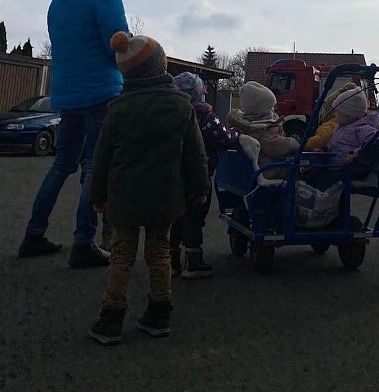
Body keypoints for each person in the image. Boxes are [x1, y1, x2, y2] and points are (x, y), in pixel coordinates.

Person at [88, 33, 210, 346]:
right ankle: (158, 314)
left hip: (124, 197)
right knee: (159, 253)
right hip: (165, 195)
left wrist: (98, 195)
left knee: (121, 255)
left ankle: (111, 319)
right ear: (160, 66)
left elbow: (102, 158)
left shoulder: (117, 109)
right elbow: (195, 153)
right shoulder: (181, 105)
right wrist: (200, 187)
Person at [19, 0, 129, 268]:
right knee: (95, 166)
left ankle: (33, 234)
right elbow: (117, 44)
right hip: (101, 91)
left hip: (67, 93)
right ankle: (84, 243)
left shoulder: (58, 2)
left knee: (61, 164)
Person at [170, 72, 239, 279]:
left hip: (173, 176)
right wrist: (236, 133)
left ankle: (170, 263)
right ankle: (193, 264)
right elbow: (224, 139)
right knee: (194, 218)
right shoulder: (205, 115)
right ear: (200, 93)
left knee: (175, 218)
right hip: (198, 176)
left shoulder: (170, 114)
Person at [228, 81, 298, 180]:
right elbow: (277, 146)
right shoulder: (261, 130)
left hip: (254, 169)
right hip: (268, 170)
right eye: (271, 108)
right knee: (299, 172)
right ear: (262, 110)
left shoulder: (246, 125)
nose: (273, 110)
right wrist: (295, 143)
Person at [303, 82, 358, 152]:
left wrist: (306, 143)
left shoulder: (332, 126)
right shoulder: (353, 124)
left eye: (326, 109)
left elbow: (317, 141)